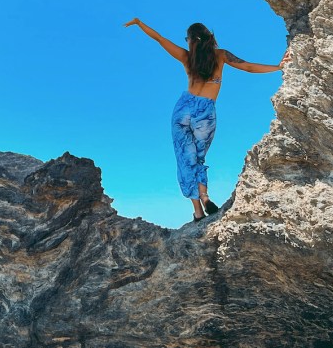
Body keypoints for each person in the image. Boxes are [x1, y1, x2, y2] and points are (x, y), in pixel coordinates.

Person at [124, 19, 291, 224]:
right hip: (204, 112)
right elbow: (247, 67)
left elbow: (160, 39)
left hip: (183, 108)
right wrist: (278, 67)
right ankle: (205, 196)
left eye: (187, 39)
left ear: (192, 40)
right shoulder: (220, 55)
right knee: (198, 157)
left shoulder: (187, 58)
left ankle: (197, 211)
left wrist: (140, 23)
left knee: (185, 158)